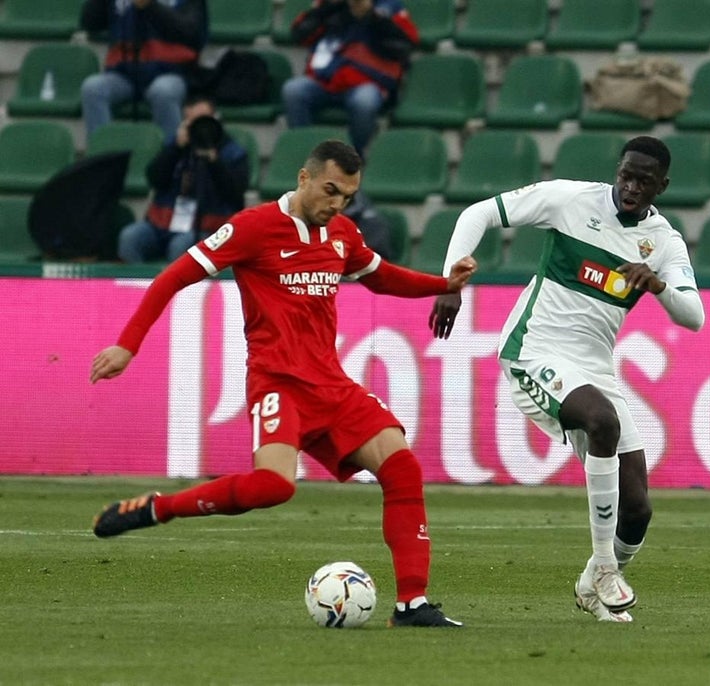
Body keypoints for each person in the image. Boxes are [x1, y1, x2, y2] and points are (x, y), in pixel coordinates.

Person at [90, 140, 477, 628]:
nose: (337, 204)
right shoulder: (253, 228)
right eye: (331, 191)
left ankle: (412, 604)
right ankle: (158, 509)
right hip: (278, 383)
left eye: (348, 196)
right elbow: (172, 278)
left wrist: (445, 284)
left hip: (332, 386)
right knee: (273, 486)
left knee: (402, 468)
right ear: (304, 178)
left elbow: (381, 277)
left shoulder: (341, 233)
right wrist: (129, 344)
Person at [428, 136, 705, 623]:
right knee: (602, 422)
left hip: (595, 367)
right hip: (533, 352)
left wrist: (657, 284)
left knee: (637, 510)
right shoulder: (570, 200)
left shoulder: (663, 242)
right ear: (617, 169)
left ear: (662, 186)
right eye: (626, 174)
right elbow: (478, 213)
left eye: (644, 181)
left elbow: (694, 317)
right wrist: (453, 280)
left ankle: (591, 588)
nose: (631, 187)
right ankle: (602, 569)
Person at [117, 96, 249, 263]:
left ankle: (176, 289)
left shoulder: (233, 152)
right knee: (130, 238)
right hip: (163, 224)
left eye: (204, 121)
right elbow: (154, 178)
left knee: (180, 246)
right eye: (192, 122)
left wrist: (214, 162)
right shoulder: (176, 145)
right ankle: (137, 289)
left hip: (206, 228)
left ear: (216, 119)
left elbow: (235, 195)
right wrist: (175, 149)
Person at [282, 0, 419, 157]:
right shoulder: (330, 5)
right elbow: (300, 34)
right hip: (325, 80)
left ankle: (352, 157)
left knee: (364, 101)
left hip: (366, 82)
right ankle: (307, 155)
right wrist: (329, 8)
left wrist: (373, 18)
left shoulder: (390, 7)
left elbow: (404, 45)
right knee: (293, 90)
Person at [80, 0, 208, 140]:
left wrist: (150, 6)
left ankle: (171, 155)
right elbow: (90, 23)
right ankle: (102, 155)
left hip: (173, 71)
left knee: (163, 91)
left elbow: (191, 33)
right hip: (125, 72)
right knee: (92, 88)